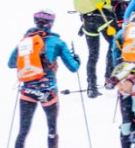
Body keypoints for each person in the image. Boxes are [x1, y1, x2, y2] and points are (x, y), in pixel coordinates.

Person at [7, 10, 80, 148]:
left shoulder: (25, 42)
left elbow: (11, 63)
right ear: (51, 24)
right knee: (52, 130)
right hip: (48, 92)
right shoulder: (58, 42)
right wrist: (77, 59)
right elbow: (73, 67)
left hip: (27, 90)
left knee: (23, 131)